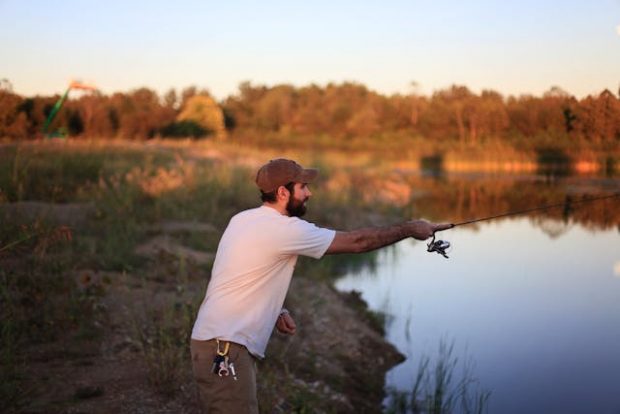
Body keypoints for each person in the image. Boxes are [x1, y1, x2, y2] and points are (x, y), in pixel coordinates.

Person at [190, 158, 452, 413]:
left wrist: (276, 309)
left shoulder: (243, 219)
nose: (310, 193)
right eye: (303, 187)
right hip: (225, 348)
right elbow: (358, 242)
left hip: (216, 342)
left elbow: (238, 273)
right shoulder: (285, 229)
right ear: (283, 192)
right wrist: (409, 229)